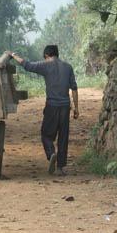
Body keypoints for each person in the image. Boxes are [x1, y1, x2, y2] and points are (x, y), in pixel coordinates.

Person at [11, 45, 79, 176]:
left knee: (46, 134)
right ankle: (60, 168)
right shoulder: (68, 67)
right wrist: (76, 108)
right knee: (63, 137)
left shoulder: (45, 65)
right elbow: (74, 89)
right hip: (65, 107)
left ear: (47, 55)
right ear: (57, 54)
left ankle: (51, 153)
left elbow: (27, 65)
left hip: (52, 106)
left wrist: (13, 55)